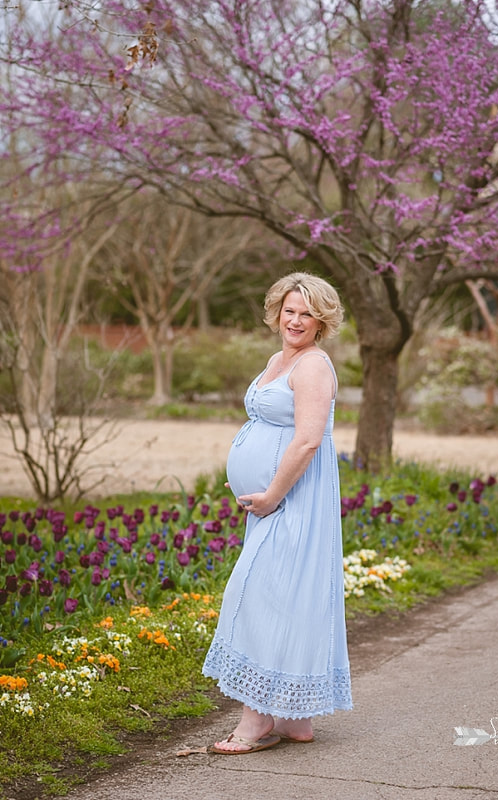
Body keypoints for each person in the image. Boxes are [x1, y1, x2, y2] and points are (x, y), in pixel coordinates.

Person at [203, 272, 352, 754]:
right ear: (276, 312)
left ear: (321, 320)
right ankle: (295, 720)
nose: (295, 319)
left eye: (306, 312)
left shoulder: (313, 366)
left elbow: (308, 439)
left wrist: (269, 494)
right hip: (270, 500)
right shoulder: (278, 359)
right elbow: (269, 424)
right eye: (289, 310)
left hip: (294, 500)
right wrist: (247, 476)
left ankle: (255, 721)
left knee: (260, 595)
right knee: (285, 595)